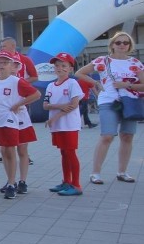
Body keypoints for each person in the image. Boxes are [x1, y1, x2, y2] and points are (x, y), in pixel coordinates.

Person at [75, 31, 143, 184]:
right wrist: (96, 83)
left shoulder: (135, 63)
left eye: (126, 43)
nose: (122, 45)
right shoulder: (102, 60)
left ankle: (122, 172)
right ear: (112, 44)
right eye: (118, 42)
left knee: (127, 136)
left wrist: (127, 85)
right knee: (107, 136)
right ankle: (95, 173)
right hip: (108, 101)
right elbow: (80, 73)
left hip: (131, 102)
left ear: (130, 46)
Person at [0, 51, 40, 199]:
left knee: (10, 151)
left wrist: (19, 104)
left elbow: (36, 94)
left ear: (12, 65)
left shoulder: (16, 81)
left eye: (5, 62)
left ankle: (12, 183)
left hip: (10, 120)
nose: (1, 65)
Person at [44, 52, 84, 195]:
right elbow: (45, 105)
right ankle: (66, 181)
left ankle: (77, 185)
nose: (59, 68)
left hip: (69, 124)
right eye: (57, 65)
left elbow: (73, 104)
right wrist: (59, 106)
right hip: (57, 125)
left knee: (70, 152)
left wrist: (55, 116)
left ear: (70, 68)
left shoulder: (72, 83)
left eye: (63, 65)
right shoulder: (50, 86)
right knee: (63, 152)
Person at [0, 37, 37, 168]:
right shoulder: (1, 61)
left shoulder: (25, 60)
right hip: (5, 103)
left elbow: (35, 76)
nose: (2, 48)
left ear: (12, 46)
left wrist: (21, 84)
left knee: (21, 129)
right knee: (5, 127)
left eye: (4, 46)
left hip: (21, 101)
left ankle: (25, 155)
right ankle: (7, 152)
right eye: (1, 46)